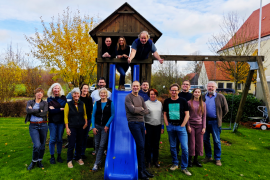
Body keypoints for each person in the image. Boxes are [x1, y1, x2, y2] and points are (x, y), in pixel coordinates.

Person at [125, 81, 153, 180]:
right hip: (133, 123)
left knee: (142, 146)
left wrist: (138, 109)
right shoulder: (128, 97)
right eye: (134, 86)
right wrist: (140, 109)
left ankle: (143, 169)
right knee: (140, 146)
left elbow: (147, 111)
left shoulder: (141, 98)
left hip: (141, 124)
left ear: (139, 87)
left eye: (137, 86)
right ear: (131, 87)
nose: (136, 87)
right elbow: (132, 111)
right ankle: (140, 171)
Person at [163, 83, 191, 176]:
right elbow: (165, 114)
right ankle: (175, 163)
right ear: (170, 91)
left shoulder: (183, 101)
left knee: (185, 148)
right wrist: (167, 124)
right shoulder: (166, 101)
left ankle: (184, 167)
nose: (174, 91)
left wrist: (183, 124)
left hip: (181, 127)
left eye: (175, 90)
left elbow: (187, 114)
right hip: (171, 126)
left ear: (178, 91)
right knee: (173, 147)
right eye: (172, 90)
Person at [202, 81, 228, 166]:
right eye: (209, 86)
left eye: (212, 86)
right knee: (205, 140)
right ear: (207, 87)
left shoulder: (220, 97)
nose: (210, 88)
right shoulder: (202, 97)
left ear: (216, 88)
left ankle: (217, 158)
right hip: (204, 122)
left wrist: (219, 117)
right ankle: (208, 157)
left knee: (216, 141)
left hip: (215, 122)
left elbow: (225, 109)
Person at [91, 88, 115, 171]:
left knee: (102, 145)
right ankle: (99, 160)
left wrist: (107, 125)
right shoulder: (96, 103)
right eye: (101, 93)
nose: (103, 94)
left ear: (106, 94)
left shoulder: (110, 103)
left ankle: (96, 163)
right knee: (97, 144)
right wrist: (93, 127)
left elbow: (112, 115)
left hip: (105, 127)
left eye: (104, 93)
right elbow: (93, 115)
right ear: (99, 94)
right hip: (97, 126)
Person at [25, 88, 48, 170]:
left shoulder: (45, 103)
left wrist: (33, 111)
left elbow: (44, 113)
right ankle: (33, 161)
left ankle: (39, 161)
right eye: (38, 92)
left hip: (43, 125)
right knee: (37, 145)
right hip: (33, 126)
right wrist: (38, 110)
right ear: (35, 94)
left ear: (43, 95)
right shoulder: (30, 102)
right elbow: (28, 111)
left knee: (42, 145)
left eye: (41, 92)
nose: (40, 93)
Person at [64, 88, 88, 168]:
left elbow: (84, 114)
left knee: (79, 143)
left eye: (77, 94)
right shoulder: (68, 104)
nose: (76, 95)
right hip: (72, 127)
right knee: (71, 144)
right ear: (72, 95)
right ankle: (69, 160)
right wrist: (67, 128)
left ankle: (78, 158)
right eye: (74, 94)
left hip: (81, 126)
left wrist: (86, 122)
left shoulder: (82, 103)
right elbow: (66, 117)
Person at [91, 77, 112, 156]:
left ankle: (104, 150)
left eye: (103, 82)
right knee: (96, 137)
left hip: (105, 118)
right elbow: (92, 102)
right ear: (98, 83)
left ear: (105, 83)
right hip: (97, 116)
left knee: (104, 137)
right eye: (100, 82)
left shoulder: (109, 93)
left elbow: (110, 105)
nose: (101, 84)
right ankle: (96, 151)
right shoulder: (94, 93)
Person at [47, 83, 67, 164]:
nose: (56, 90)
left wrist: (56, 109)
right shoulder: (49, 99)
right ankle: (52, 157)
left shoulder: (63, 98)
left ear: (60, 89)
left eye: (58, 88)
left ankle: (59, 156)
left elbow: (65, 109)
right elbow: (51, 111)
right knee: (52, 140)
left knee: (59, 139)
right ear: (52, 89)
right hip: (52, 122)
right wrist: (60, 109)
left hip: (61, 122)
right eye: (55, 88)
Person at [144, 88, 164, 168]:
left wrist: (162, 126)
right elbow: (143, 116)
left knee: (156, 144)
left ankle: (155, 161)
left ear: (156, 95)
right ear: (149, 95)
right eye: (151, 94)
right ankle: (148, 161)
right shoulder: (145, 103)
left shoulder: (159, 103)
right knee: (148, 144)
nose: (153, 95)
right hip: (149, 126)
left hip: (157, 126)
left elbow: (162, 115)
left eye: (154, 94)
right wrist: (144, 127)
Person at [187, 88, 206, 168]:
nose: (197, 93)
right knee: (192, 143)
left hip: (200, 125)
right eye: (195, 92)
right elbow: (187, 115)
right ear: (193, 93)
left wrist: (204, 127)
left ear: (200, 94)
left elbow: (204, 116)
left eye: (198, 92)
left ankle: (196, 160)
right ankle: (190, 160)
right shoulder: (189, 103)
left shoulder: (203, 104)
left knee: (199, 143)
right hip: (191, 125)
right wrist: (188, 125)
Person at [74, 84, 93, 159]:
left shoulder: (89, 99)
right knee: (78, 137)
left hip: (87, 120)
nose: (85, 90)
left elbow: (89, 109)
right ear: (81, 89)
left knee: (85, 137)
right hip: (79, 120)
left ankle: (82, 153)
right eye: (84, 88)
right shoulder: (78, 98)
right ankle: (76, 154)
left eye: (87, 88)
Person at [176, 80, 192, 155]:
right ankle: (176, 153)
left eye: (187, 84)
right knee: (176, 139)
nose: (185, 85)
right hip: (178, 119)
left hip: (189, 120)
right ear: (182, 86)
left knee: (188, 138)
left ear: (189, 86)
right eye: (184, 84)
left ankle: (186, 153)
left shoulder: (192, 96)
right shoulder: (177, 95)